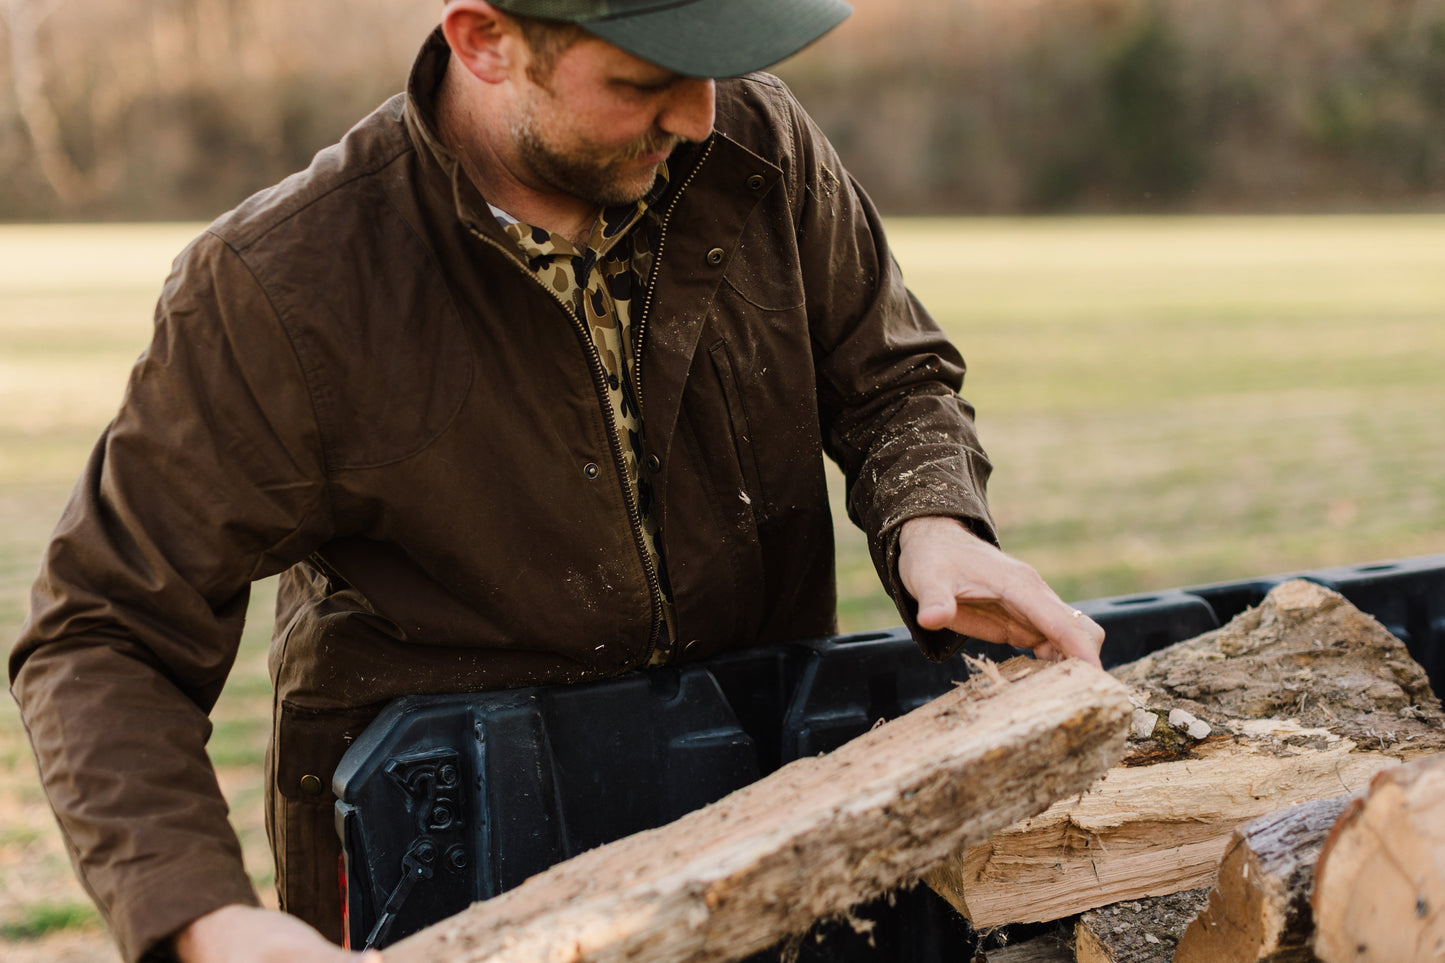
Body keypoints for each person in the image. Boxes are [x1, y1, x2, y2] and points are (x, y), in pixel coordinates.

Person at [9, 1, 1105, 961]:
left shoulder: (759, 145)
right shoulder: (278, 289)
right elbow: (101, 635)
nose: (700, 117)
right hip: (445, 854)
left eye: (710, 68)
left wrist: (932, 517)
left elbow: (892, 380)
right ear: (484, 40)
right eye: (642, 81)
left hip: (759, 808)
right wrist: (204, 917)